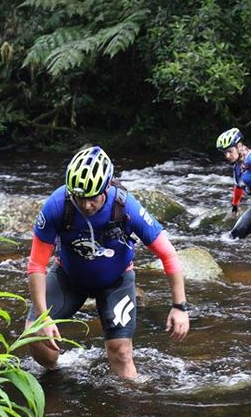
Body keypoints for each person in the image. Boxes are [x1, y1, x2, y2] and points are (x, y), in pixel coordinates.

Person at [24, 145, 190, 379]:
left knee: (120, 352)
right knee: (35, 335)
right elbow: (36, 264)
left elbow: (168, 254)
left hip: (116, 281)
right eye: (80, 198)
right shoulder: (57, 205)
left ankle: (129, 398)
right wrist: (43, 318)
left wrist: (179, 307)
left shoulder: (126, 206)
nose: (86, 205)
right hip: (68, 278)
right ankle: (58, 377)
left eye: (92, 198)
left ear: (107, 187)